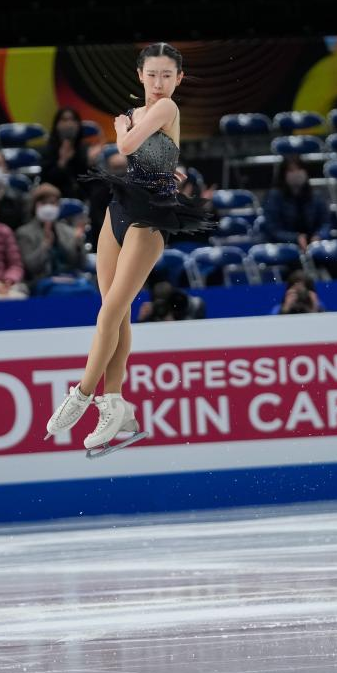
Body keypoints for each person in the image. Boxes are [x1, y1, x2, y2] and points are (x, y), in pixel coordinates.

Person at [45, 42, 215, 455]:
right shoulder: (137, 112)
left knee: (111, 311)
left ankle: (83, 393)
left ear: (179, 79)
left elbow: (123, 146)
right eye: (152, 74)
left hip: (149, 219)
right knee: (114, 314)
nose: (159, 83)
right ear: (140, 75)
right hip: (117, 211)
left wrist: (121, 129)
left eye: (166, 75)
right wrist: (125, 126)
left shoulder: (166, 110)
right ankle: (116, 401)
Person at [15, 182, 93, 296]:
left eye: (53, 203)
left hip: (70, 277)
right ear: (35, 206)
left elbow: (80, 263)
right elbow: (31, 267)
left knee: (90, 290)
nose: (49, 207)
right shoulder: (24, 233)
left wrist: (77, 243)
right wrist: (45, 245)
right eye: (44, 203)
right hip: (43, 280)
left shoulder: (67, 230)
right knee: (62, 293)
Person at [262, 156, 331, 249]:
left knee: (334, 259)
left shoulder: (316, 195)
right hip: (285, 246)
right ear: (283, 174)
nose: (296, 173)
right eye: (291, 170)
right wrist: (296, 238)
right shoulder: (273, 196)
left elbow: (325, 223)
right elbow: (273, 230)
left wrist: (319, 236)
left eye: (299, 169)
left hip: (314, 244)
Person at [39, 107, 92, 199]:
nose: (69, 124)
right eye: (64, 120)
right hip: (55, 197)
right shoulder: (48, 150)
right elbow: (45, 181)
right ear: (57, 125)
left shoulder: (86, 150)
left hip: (84, 196)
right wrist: (62, 161)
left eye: (73, 120)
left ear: (78, 124)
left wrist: (90, 160)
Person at [137, 281, 206, 322]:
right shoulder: (154, 311)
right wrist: (141, 319)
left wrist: (173, 324)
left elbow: (195, 331)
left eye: (164, 303)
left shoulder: (182, 307)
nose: (162, 306)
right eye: (159, 303)